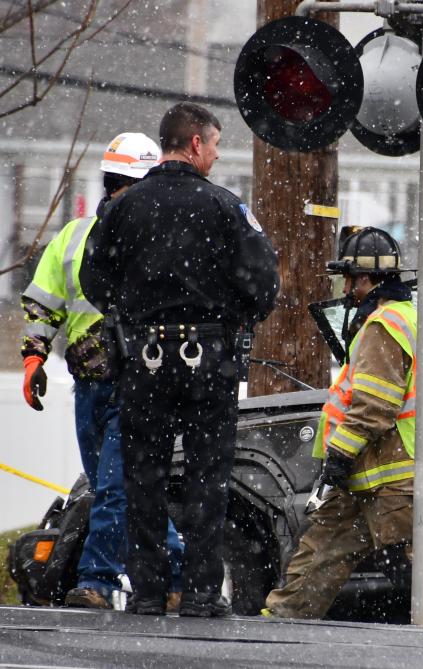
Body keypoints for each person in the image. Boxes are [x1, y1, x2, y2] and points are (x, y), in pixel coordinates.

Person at [80, 102, 279, 617]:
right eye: (213, 144)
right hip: (208, 360)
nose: (215, 154)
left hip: (141, 360)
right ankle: (200, 593)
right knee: (206, 478)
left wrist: (136, 312)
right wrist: (227, 316)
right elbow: (264, 284)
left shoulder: (124, 207)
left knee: (142, 477)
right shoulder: (223, 207)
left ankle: (146, 593)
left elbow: (94, 279)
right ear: (195, 145)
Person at [263, 227, 423, 633]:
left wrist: (340, 454)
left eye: (348, 279)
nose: (346, 290)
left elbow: (375, 406)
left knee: (418, 559)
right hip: (372, 472)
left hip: (395, 472)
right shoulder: (409, 316)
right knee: (321, 551)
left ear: (365, 280)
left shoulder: (384, 325)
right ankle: (278, 628)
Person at [21, 132, 185, 610]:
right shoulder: (77, 238)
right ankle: (177, 570)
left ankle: (96, 579)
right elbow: (44, 302)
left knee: (114, 487)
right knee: (118, 488)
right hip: (90, 386)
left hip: (135, 384)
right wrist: (33, 356)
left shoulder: (153, 237)